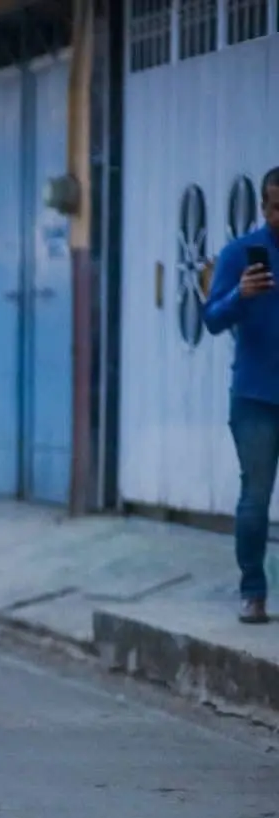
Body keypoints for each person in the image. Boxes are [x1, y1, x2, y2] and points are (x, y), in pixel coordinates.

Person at [203, 166, 279, 625]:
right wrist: (239, 295)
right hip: (254, 397)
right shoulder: (238, 255)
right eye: (276, 205)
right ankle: (253, 590)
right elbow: (211, 319)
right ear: (264, 208)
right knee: (255, 497)